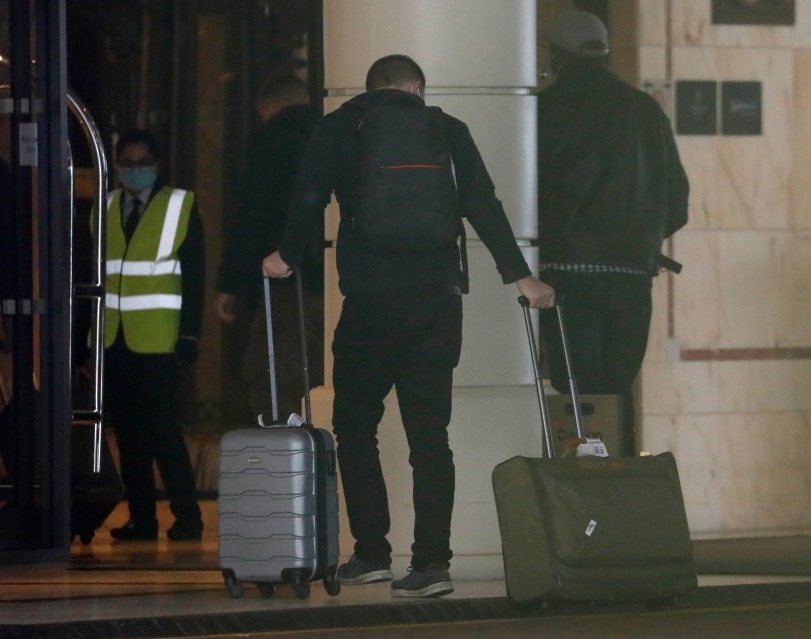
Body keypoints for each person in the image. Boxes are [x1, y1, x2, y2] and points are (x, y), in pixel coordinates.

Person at [262, 55, 555, 598]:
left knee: (354, 425)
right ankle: (431, 565)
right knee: (429, 436)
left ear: (369, 88)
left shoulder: (339, 126)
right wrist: (522, 279)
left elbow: (307, 197)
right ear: (416, 88)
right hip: (436, 303)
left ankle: (371, 553)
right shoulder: (446, 128)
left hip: (370, 303)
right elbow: (483, 204)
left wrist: (285, 255)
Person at [536, 11, 689, 455]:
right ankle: (622, 491)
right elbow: (676, 203)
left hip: (566, 277)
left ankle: (583, 499)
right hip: (631, 279)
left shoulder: (545, 111)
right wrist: (639, 239)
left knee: (577, 396)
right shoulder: (644, 111)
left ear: (558, 55)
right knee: (618, 391)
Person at [104, 129, 205, 541]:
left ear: (158, 165)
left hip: (161, 342)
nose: (135, 170)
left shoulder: (180, 205)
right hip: (115, 339)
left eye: (143, 162)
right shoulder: (107, 207)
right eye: (127, 163)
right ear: (117, 166)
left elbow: (194, 275)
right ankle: (141, 518)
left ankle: (188, 517)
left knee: (164, 433)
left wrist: (190, 336)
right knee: (127, 436)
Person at [215, 74, 323, 423]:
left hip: (285, 280)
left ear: (270, 107)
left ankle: (284, 459)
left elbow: (253, 214)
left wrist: (231, 281)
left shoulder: (274, 140)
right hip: (331, 280)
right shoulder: (334, 135)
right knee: (318, 374)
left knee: (272, 374)